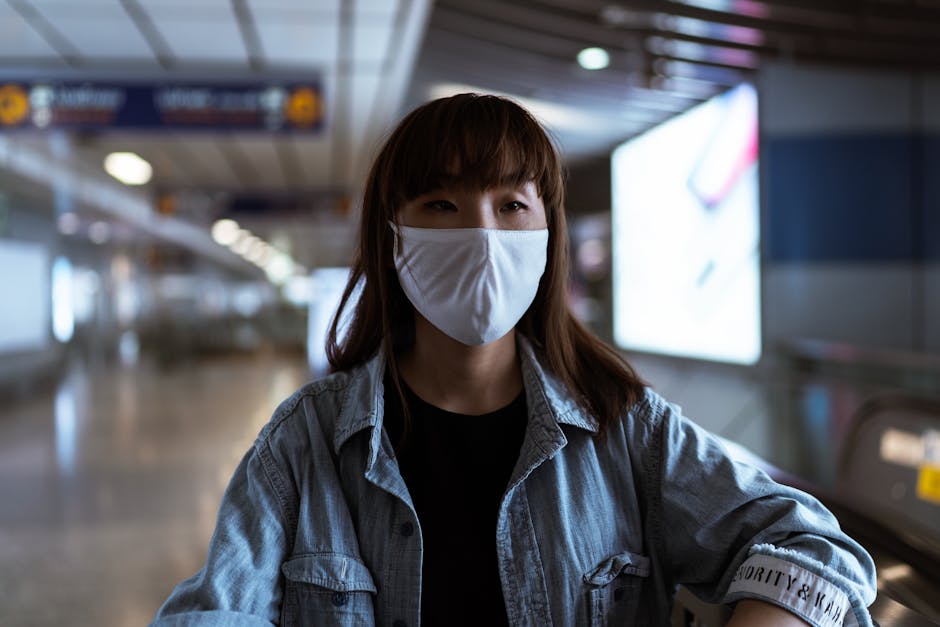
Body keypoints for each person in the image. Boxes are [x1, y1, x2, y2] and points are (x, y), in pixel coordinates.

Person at [152, 93, 876, 626]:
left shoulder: (627, 430)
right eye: (441, 205)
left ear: (547, 230)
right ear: (391, 235)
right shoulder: (304, 444)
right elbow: (217, 609)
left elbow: (812, 547)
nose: (481, 236)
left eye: (510, 205)